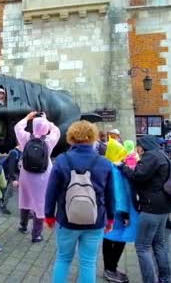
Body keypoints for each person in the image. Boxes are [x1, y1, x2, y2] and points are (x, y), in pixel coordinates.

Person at [45, 121, 114, 283]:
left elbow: (51, 192)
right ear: (93, 138)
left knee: (63, 259)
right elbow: (111, 195)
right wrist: (110, 218)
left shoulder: (61, 161)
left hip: (66, 220)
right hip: (95, 221)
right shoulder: (104, 163)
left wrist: (48, 215)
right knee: (88, 263)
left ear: (71, 137)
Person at [119, 135, 171, 283]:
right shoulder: (162, 154)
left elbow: (137, 175)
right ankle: (165, 278)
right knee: (159, 243)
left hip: (151, 207)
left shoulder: (150, 156)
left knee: (142, 247)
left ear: (143, 147)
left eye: (139, 146)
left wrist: (122, 166)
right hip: (164, 205)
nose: (137, 149)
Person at [14, 111, 60, 243]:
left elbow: (17, 127)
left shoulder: (26, 138)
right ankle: (36, 235)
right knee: (40, 204)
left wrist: (28, 117)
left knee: (25, 199)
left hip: (26, 173)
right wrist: (47, 121)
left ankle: (23, 225)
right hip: (43, 175)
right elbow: (56, 130)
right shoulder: (49, 140)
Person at [103, 138, 138, 283]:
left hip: (108, 211)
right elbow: (120, 194)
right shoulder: (116, 170)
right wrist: (125, 213)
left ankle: (109, 269)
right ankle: (111, 269)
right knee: (119, 239)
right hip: (118, 213)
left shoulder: (107, 167)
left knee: (108, 238)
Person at [0, 145, 22, 215]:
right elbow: (11, 166)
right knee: (9, 191)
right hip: (12, 174)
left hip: (16, 174)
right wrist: (13, 178)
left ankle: (27, 211)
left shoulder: (22, 152)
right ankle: (3, 206)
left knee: (9, 191)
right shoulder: (14, 153)